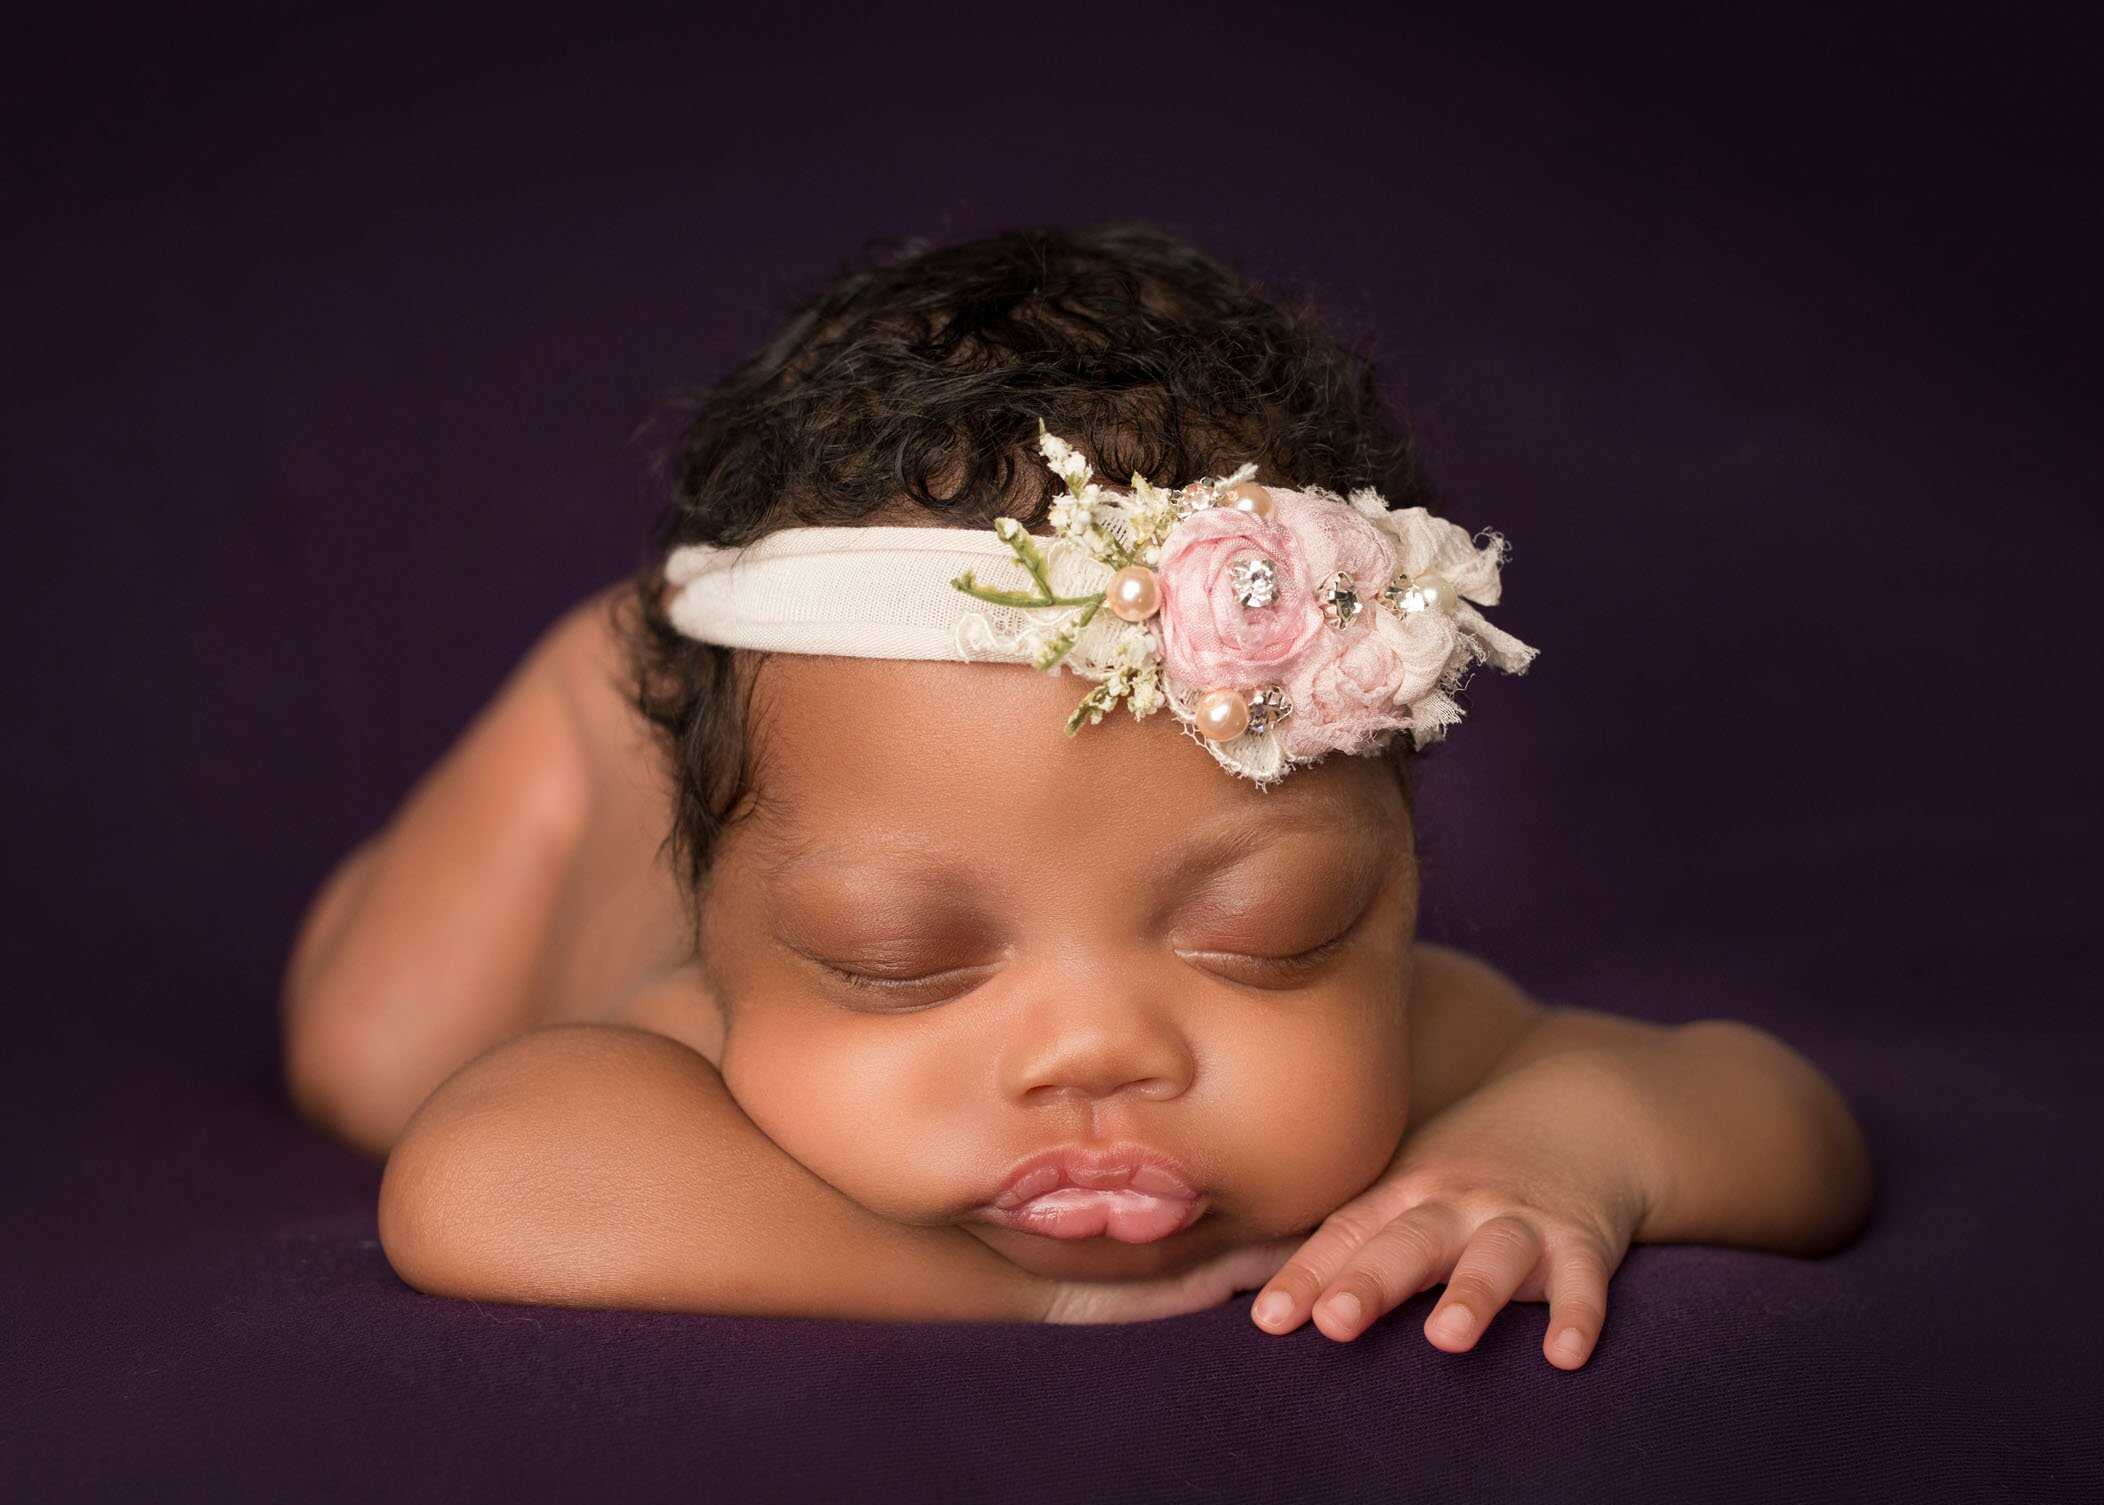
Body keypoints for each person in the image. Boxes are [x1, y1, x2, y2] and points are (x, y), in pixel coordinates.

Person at [280, 222, 1873, 1367]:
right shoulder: (684, 1049)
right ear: (720, 926)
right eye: (898, 960)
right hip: (572, 883)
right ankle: (593, 695)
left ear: (1398, 876)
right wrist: (1054, 1300)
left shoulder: (1419, 1058)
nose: (1096, 1051)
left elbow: (1782, 1118)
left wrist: (1560, 1150)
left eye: (1270, 934)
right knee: (369, 1057)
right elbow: (474, 1178)